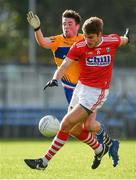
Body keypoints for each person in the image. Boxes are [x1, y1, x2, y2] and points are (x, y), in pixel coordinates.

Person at [25, 10, 123, 168]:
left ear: (78, 26)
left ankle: (44, 162)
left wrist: (127, 37)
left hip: (94, 91)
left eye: (69, 24)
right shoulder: (65, 41)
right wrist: (37, 29)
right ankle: (100, 148)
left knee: (78, 125)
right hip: (75, 88)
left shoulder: (90, 39)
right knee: (75, 129)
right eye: (64, 24)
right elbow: (46, 46)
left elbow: (121, 40)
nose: (66, 27)